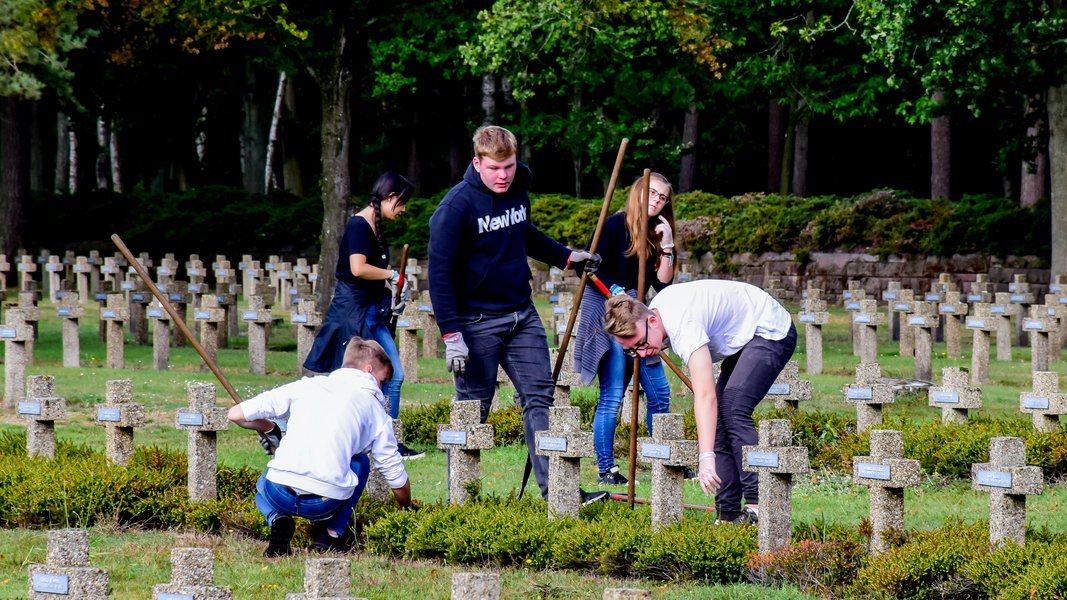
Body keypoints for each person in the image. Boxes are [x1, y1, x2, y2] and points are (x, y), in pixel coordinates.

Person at [428, 124, 605, 504]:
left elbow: (524, 232)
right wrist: (451, 336)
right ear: (477, 163)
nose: (504, 175)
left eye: (508, 166)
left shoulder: (518, 184)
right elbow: (439, 276)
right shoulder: (454, 210)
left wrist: (565, 257)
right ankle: (461, 498)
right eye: (494, 169)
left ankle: (558, 491)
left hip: (521, 313)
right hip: (476, 322)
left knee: (541, 397)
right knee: (474, 407)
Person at [602, 279, 797, 523]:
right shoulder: (656, 313)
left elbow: (705, 396)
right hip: (744, 336)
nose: (642, 354)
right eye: (632, 351)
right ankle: (727, 513)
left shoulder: (684, 325)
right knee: (718, 420)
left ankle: (759, 504)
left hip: (770, 330)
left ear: (651, 321)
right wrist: (707, 453)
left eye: (641, 343)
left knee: (733, 407)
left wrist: (705, 458)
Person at [229, 337, 413, 557]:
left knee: (266, 481)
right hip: (325, 502)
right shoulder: (375, 410)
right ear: (368, 369)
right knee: (359, 461)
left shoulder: (306, 385)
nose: (382, 390)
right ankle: (331, 534)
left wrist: (270, 428)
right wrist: (407, 507)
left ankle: (277, 519)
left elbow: (235, 414)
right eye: (382, 381)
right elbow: (394, 474)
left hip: (279, 494)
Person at [303, 171, 423, 459]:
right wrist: (393, 274)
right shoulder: (359, 225)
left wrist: (393, 288)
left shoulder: (374, 227)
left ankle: (388, 440)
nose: (403, 209)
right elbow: (357, 269)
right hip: (352, 314)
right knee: (346, 380)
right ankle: (336, 436)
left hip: (372, 313)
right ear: (389, 197)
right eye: (401, 203)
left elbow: (369, 274)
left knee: (394, 374)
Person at [573, 173, 679, 485]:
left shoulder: (656, 233)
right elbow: (592, 268)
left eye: (662, 198)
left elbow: (662, 283)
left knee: (659, 392)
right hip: (612, 319)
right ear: (638, 192)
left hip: (640, 322)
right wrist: (618, 293)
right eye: (653, 194)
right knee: (613, 394)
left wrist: (668, 245)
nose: (657, 201)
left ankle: (666, 458)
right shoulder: (613, 225)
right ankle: (607, 469)